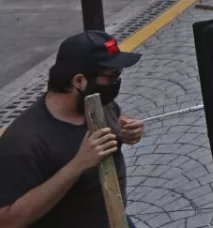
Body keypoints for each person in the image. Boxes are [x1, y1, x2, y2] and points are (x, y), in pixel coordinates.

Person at [0, 31, 144, 227]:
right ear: (78, 81)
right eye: (112, 75)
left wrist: (126, 132)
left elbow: (116, 124)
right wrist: (78, 164)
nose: (117, 81)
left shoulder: (101, 104)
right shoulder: (25, 142)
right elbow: (7, 220)